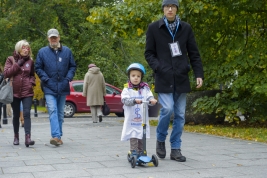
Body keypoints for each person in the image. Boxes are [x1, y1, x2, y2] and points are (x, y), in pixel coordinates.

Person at [144, 0, 204, 162]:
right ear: (163, 9)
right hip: (164, 77)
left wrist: (199, 74)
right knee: (167, 109)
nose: (170, 9)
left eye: (173, 7)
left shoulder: (185, 28)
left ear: (177, 9)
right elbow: (149, 53)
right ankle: (161, 140)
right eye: (167, 7)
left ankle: (176, 148)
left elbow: (194, 54)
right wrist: (159, 67)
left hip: (181, 78)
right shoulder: (154, 28)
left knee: (180, 115)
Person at [35, 28, 76, 146]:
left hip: (63, 86)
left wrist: (68, 79)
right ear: (48, 38)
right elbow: (38, 67)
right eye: (51, 37)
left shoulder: (67, 51)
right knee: (52, 110)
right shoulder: (42, 52)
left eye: (55, 37)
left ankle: (58, 136)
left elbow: (72, 66)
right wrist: (46, 79)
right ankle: (56, 136)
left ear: (59, 37)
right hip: (49, 86)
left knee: (60, 113)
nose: (53, 39)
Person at [3, 40, 36, 147]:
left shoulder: (30, 61)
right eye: (24, 47)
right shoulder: (10, 59)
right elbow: (6, 74)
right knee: (16, 115)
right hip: (14, 91)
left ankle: (28, 138)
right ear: (18, 48)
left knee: (26, 114)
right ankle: (16, 137)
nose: (26, 50)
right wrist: (18, 64)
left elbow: (32, 75)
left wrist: (31, 83)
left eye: (27, 48)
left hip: (27, 92)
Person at [121, 63, 157, 157]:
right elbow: (124, 100)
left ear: (141, 77)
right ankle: (133, 151)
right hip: (131, 118)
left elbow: (149, 96)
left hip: (142, 118)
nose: (136, 78)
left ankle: (142, 151)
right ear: (129, 76)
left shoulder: (145, 88)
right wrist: (134, 100)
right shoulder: (127, 89)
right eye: (133, 76)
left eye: (138, 76)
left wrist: (152, 100)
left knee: (142, 134)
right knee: (133, 133)